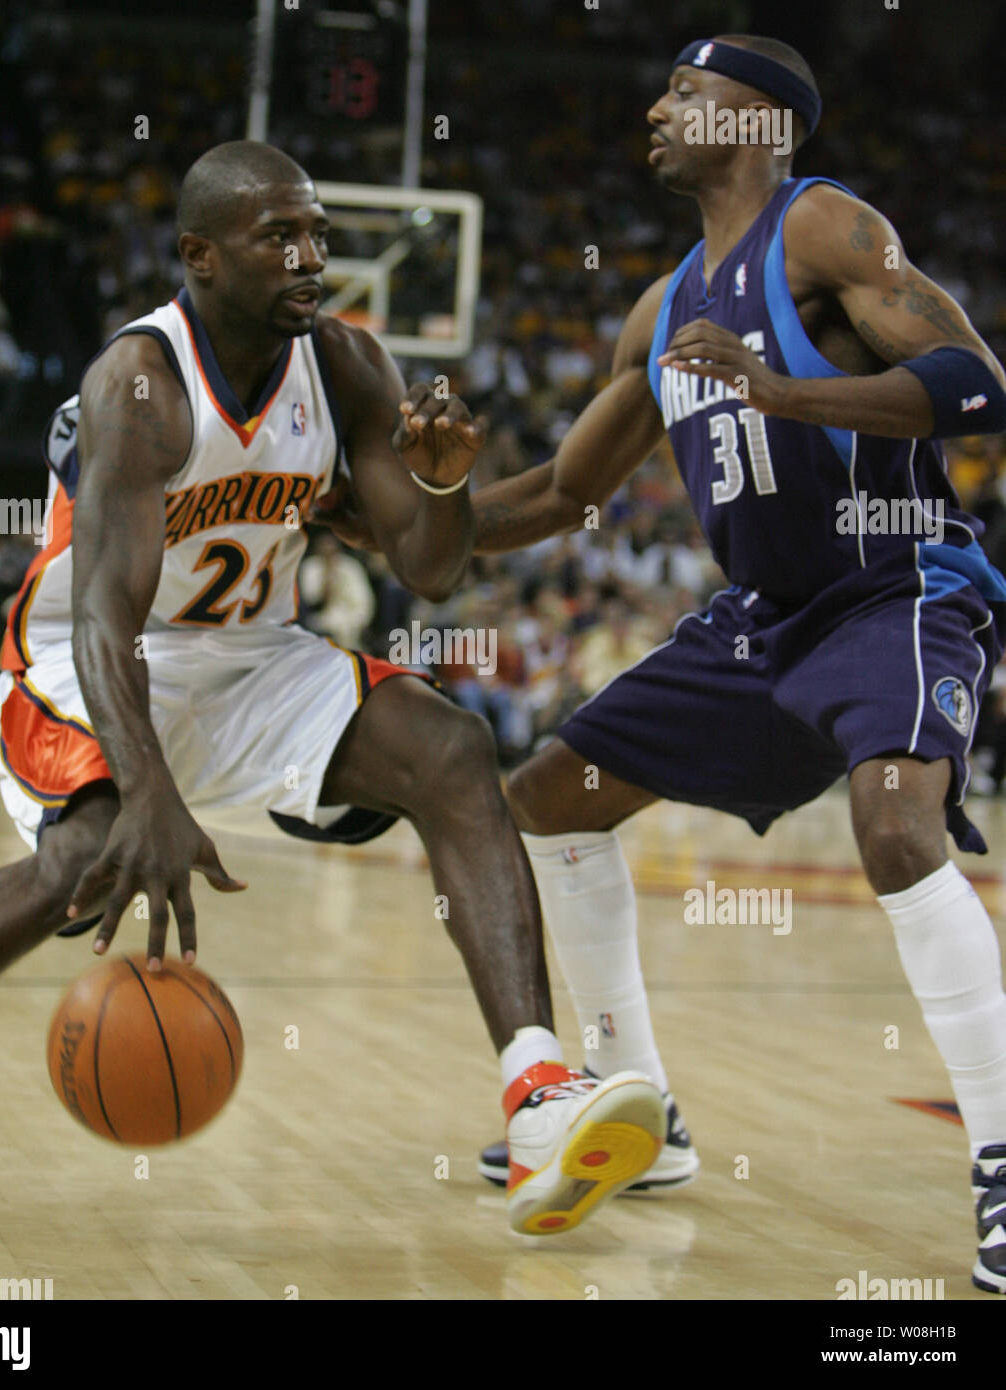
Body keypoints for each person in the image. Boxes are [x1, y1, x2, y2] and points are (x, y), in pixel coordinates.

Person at [0, 142, 666, 1242]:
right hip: (85, 658)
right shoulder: (140, 383)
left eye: (317, 236)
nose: (309, 259)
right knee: (80, 860)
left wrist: (441, 483)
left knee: (449, 749)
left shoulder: (344, 363)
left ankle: (537, 1094)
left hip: (254, 655)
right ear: (199, 255)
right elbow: (105, 616)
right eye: (278, 237)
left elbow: (429, 569)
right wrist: (149, 791)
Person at [317, 36, 1006, 1283]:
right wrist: (406, 511)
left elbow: (973, 382)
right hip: (760, 619)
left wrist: (785, 395)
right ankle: (638, 1107)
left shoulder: (824, 228)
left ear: (756, 121)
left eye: (686, 92)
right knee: (546, 800)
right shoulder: (663, 307)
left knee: (894, 826)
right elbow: (560, 494)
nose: (656, 107)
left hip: (889, 586)